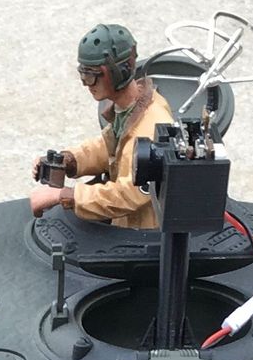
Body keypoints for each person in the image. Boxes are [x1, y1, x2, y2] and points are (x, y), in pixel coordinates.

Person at [29, 23, 176, 230]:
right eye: (82, 74)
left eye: (91, 75)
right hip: (125, 226)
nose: (86, 84)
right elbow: (110, 148)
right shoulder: (128, 109)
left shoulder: (151, 126)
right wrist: (68, 160)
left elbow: (128, 194)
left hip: (142, 235)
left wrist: (64, 195)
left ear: (117, 73)